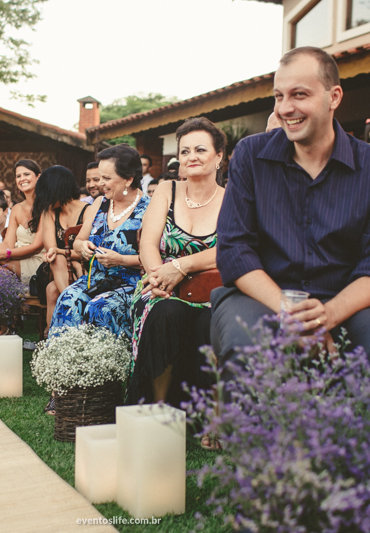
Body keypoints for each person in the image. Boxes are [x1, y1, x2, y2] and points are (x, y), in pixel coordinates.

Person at [211, 47, 370, 381]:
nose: (285, 108)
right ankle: (248, 434)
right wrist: (294, 315)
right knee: (248, 346)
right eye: (279, 96)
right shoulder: (250, 154)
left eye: (299, 95)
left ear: (333, 97)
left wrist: (327, 316)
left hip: (342, 302)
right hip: (261, 298)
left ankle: (363, 434)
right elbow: (234, 250)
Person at [127, 117, 225, 414]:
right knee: (165, 312)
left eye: (200, 149)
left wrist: (180, 266)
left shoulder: (233, 198)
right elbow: (148, 243)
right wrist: (158, 278)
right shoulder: (167, 190)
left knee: (210, 323)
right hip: (160, 284)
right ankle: (156, 406)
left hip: (210, 290)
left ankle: (209, 411)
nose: (191, 157)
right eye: (184, 151)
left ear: (219, 156)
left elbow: (231, 250)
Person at [49, 144, 149, 338]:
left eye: (106, 178)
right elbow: (78, 241)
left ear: (128, 179)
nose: (100, 184)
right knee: (68, 299)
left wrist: (121, 260)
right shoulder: (100, 203)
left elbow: (159, 258)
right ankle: (63, 362)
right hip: (96, 280)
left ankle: (104, 364)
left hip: (131, 284)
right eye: (99, 177)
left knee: (100, 307)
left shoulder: (150, 209)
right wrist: (83, 247)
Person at [38, 166, 90, 335]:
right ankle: (75, 304)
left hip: (84, 267)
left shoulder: (87, 211)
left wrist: (67, 256)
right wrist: (69, 259)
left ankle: (52, 338)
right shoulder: (50, 212)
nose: (43, 199)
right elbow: (51, 250)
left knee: (52, 290)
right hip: (53, 268)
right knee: (57, 259)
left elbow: (88, 252)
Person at [0, 160, 45, 286]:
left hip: (39, 260)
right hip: (17, 258)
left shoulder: (46, 206)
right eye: (18, 176)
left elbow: (36, 247)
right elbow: (8, 243)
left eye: (26, 174)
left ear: (38, 177)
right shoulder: (16, 209)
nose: (22, 179)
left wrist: (5, 254)